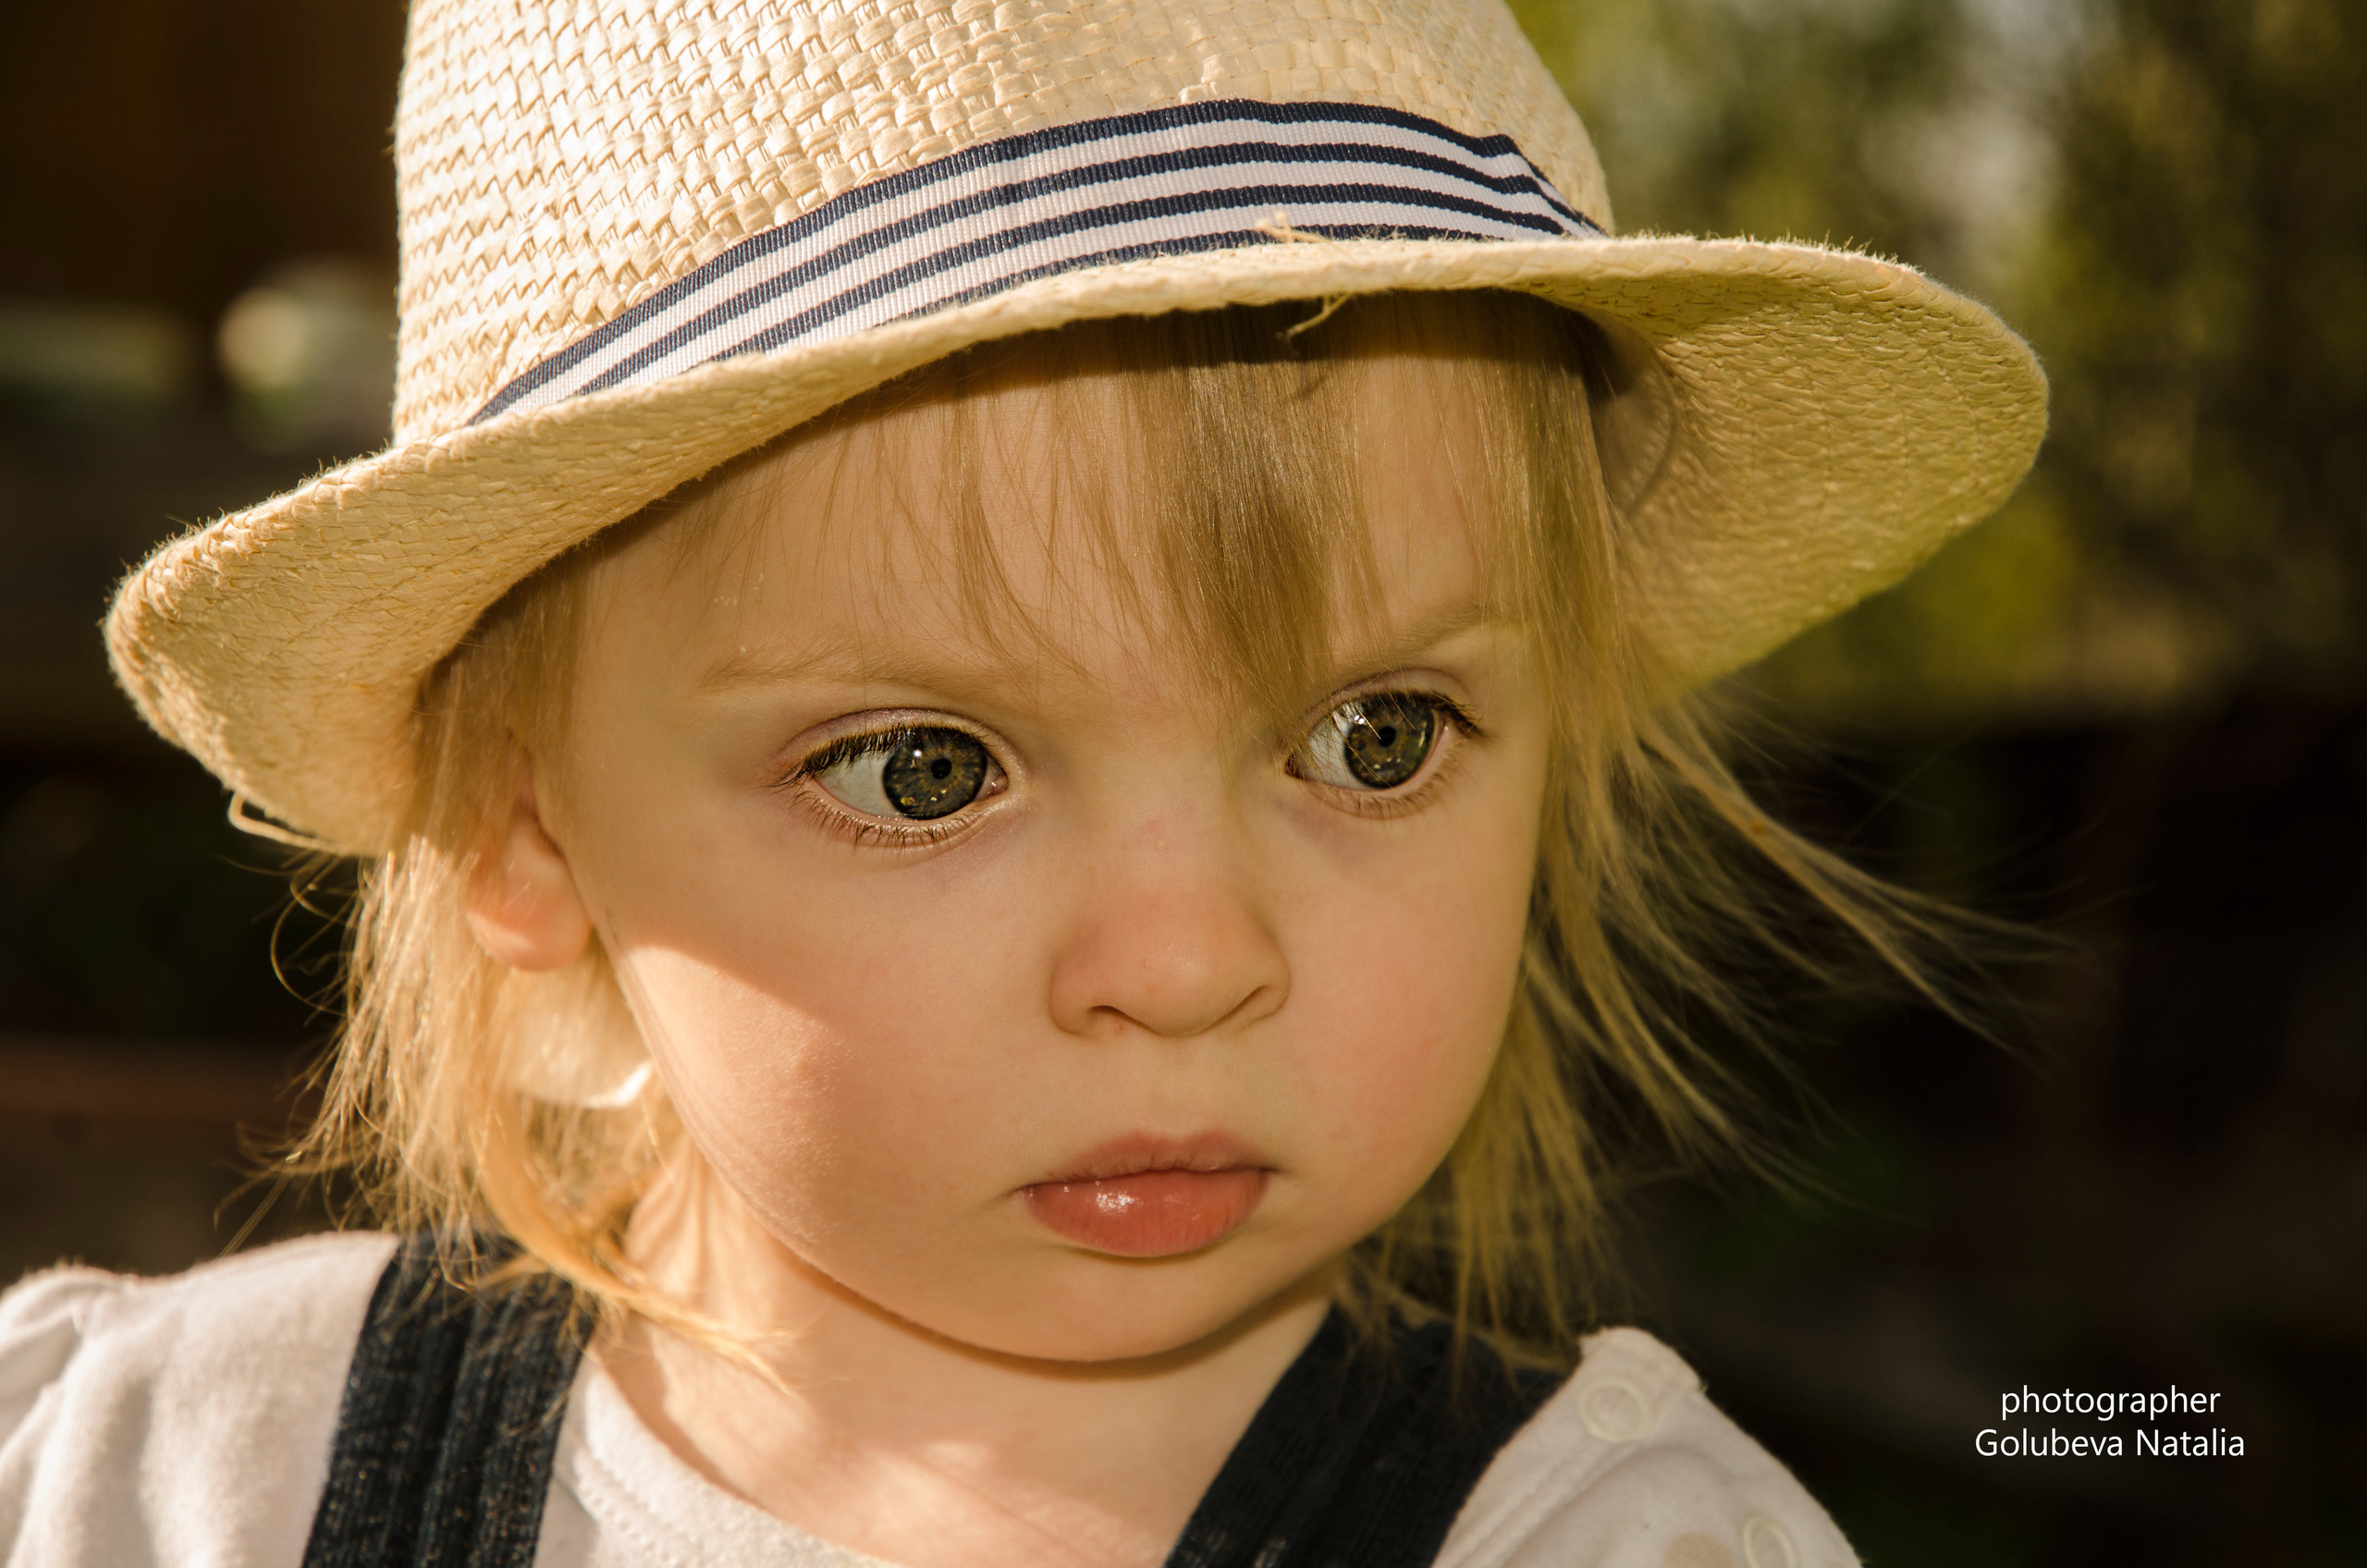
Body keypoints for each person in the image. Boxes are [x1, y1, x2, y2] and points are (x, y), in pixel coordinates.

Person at [0, 0, 2045, 1563]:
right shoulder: (165, 1478)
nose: (1181, 959)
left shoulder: (1613, 1541)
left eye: (1373, 738)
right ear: (524, 830)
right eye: (921, 766)